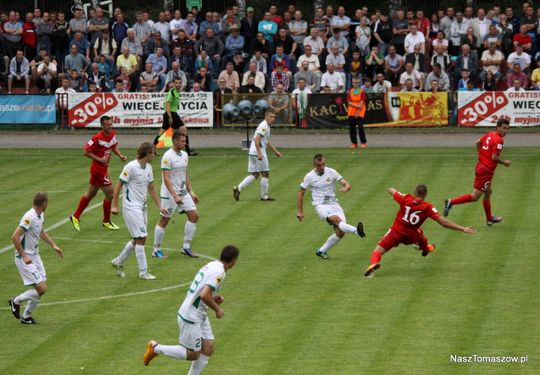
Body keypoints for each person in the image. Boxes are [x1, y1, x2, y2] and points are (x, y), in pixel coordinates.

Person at [143, 245, 240, 374]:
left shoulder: (212, 265)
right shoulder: (219, 272)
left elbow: (203, 292)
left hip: (199, 313)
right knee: (193, 354)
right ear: (234, 260)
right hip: (191, 315)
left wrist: (214, 298)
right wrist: (217, 309)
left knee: (208, 347)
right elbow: (204, 295)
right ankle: (156, 348)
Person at [364, 185, 476, 277]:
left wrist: (392, 189)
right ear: (425, 195)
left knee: (377, 251)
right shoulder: (427, 207)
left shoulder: (405, 199)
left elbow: (391, 190)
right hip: (411, 236)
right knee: (421, 235)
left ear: (414, 192)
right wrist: (462, 228)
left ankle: (374, 264)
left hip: (395, 233)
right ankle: (426, 249)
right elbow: (443, 222)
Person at [110, 143, 165, 280]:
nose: (154, 155)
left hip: (142, 207)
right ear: (146, 153)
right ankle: (143, 272)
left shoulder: (149, 168)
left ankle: (118, 261)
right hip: (131, 207)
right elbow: (118, 187)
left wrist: (160, 206)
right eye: (153, 153)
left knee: (137, 239)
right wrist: (115, 205)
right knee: (141, 238)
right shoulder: (130, 167)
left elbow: (151, 188)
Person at [8, 192, 64, 324]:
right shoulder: (29, 217)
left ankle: (26, 316)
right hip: (24, 258)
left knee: (41, 288)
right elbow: (14, 237)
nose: (48, 205)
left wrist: (53, 245)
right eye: (47, 202)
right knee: (42, 288)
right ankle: (15, 301)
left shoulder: (40, 215)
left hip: (35, 256)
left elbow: (41, 231)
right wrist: (23, 255)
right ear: (43, 204)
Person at [443, 119, 511, 226]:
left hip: (480, 166)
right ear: (497, 127)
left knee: (488, 192)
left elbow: (478, 142)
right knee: (474, 196)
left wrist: (481, 155)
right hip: (486, 171)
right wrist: (504, 163)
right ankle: (451, 202)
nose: (505, 131)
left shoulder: (490, 134)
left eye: (507, 128)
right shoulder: (499, 140)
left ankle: (489, 219)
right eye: (503, 128)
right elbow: (494, 157)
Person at [297, 154, 365, 259]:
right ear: (315, 165)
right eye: (319, 165)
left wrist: (346, 188)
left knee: (341, 232)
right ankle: (357, 231)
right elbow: (300, 193)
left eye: (323, 164)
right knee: (337, 220)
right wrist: (300, 212)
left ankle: (321, 250)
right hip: (320, 206)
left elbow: (346, 184)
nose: (322, 167)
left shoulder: (331, 172)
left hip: (334, 204)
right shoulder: (309, 176)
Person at [69, 116, 127, 231]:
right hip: (98, 170)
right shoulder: (97, 138)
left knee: (91, 193)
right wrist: (100, 159)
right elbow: (85, 152)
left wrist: (120, 155)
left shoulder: (112, 134)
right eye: (107, 125)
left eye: (111, 124)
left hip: (103, 169)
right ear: (102, 126)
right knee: (110, 194)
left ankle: (75, 216)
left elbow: (113, 146)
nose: (110, 126)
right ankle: (106, 221)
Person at [153, 130, 200, 259]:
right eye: (183, 141)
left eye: (185, 141)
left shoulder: (185, 155)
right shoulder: (167, 157)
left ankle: (186, 247)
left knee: (194, 216)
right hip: (169, 194)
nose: (185, 143)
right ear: (175, 141)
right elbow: (167, 179)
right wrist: (175, 196)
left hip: (183, 192)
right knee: (164, 220)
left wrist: (191, 192)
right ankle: (156, 249)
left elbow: (185, 174)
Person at [233, 111, 283, 201]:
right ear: (266, 117)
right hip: (258, 152)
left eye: (274, 117)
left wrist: (275, 151)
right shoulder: (264, 125)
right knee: (265, 173)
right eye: (271, 117)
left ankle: (238, 188)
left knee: (255, 174)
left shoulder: (266, 126)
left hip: (253, 152)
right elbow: (257, 139)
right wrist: (259, 153)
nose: (273, 119)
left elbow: (266, 141)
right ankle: (264, 197)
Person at [153, 78, 197, 155]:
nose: (178, 84)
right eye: (176, 83)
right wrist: (170, 117)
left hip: (171, 114)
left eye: (180, 83)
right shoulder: (172, 92)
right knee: (184, 130)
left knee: (162, 132)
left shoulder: (177, 91)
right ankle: (188, 151)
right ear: (174, 83)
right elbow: (167, 104)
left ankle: (153, 150)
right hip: (171, 114)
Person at [347, 77, 367, 149]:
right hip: (351, 111)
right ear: (352, 83)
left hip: (360, 111)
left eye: (357, 82)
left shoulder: (362, 92)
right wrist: (356, 105)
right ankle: (354, 143)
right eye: (354, 82)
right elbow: (349, 102)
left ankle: (363, 142)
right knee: (352, 128)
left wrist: (358, 111)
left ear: (359, 83)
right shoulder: (350, 91)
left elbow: (362, 103)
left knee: (360, 127)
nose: (355, 84)